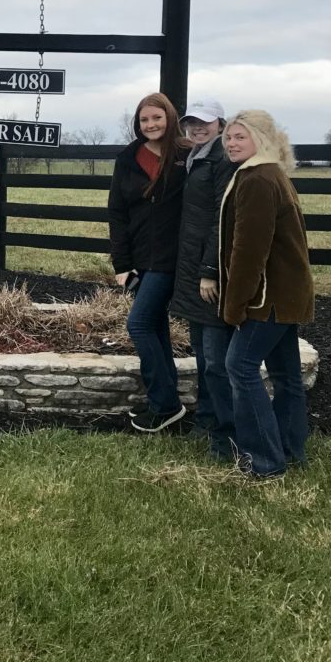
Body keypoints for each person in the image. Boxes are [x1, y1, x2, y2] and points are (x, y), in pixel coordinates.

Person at [219, 110, 314, 478]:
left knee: (239, 367)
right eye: (229, 137)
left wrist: (235, 306)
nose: (231, 143)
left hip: (267, 297)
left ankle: (264, 462)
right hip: (288, 293)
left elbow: (249, 251)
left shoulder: (258, 179)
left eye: (240, 137)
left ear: (261, 139)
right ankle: (290, 450)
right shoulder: (271, 172)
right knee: (285, 374)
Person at [108, 92, 189, 432]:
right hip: (140, 258)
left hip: (175, 258)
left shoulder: (187, 155)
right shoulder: (128, 158)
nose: (151, 124)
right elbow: (117, 212)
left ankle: (165, 405)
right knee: (155, 327)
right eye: (144, 119)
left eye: (156, 117)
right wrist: (122, 264)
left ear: (169, 118)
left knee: (138, 325)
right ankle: (169, 403)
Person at [170, 99, 237, 459]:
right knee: (202, 354)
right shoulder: (197, 158)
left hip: (209, 275)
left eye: (204, 123)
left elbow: (222, 219)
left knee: (215, 360)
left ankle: (226, 437)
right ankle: (209, 420)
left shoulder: (222, 159)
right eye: (191, 123)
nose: (197, 128)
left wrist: (209, 270)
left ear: (220, 124)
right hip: (192, 269)